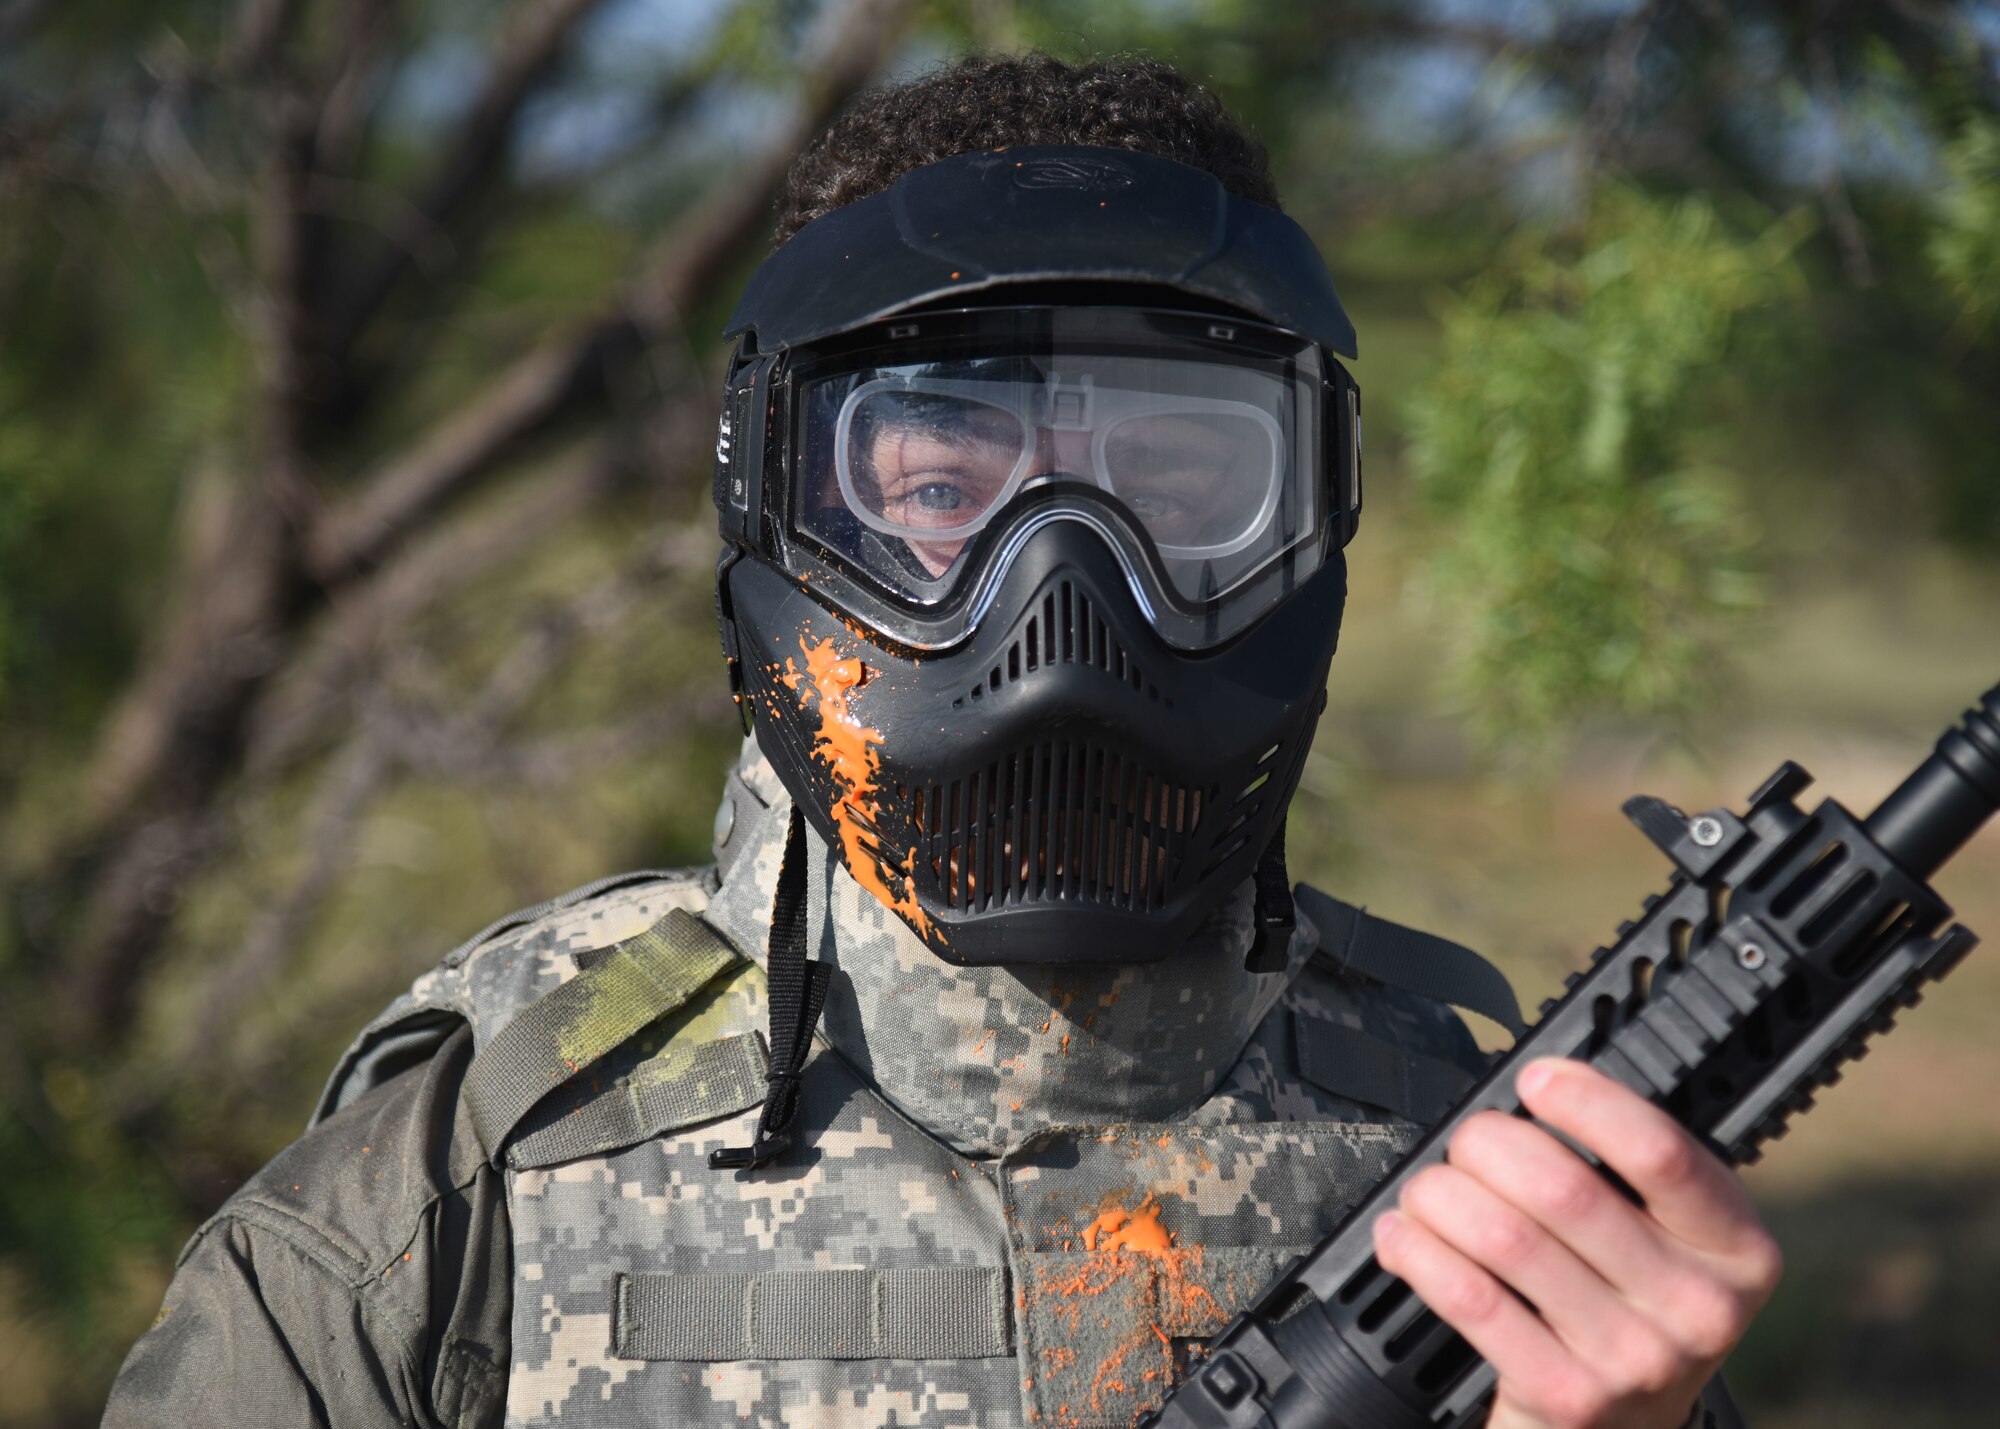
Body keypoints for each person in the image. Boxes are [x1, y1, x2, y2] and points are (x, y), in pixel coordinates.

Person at [102, 55, 1778, 1429]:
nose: (1062, 592)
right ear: (775, 498)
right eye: (935, 490)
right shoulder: (460, 1190)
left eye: (1175, 490)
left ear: (1315, 515)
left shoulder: (1485, 1190)